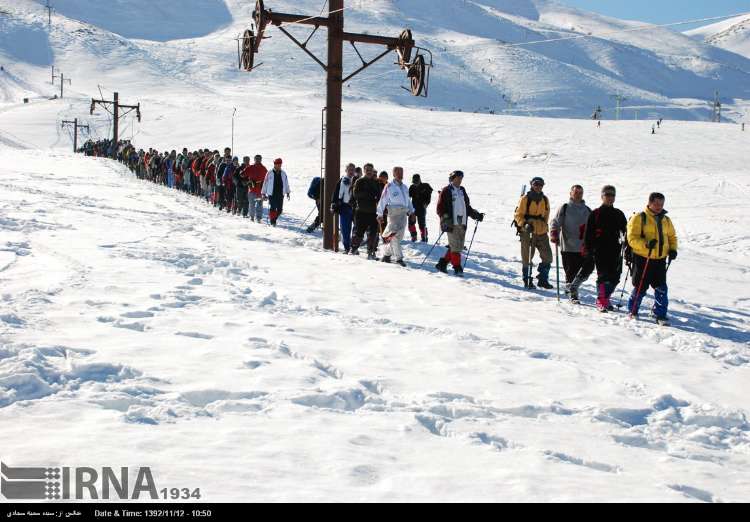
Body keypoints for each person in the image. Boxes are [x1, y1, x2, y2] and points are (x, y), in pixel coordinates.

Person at [627, 192, 678, 325]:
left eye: (661, 204)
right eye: (656, 204)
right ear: (649, 203)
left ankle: (660, 314)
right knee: (640, 287)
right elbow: (631, 238)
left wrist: (673, 249)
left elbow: (672, 237)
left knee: (661, 287)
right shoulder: (639, 217)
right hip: (643, 258)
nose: (659, 207)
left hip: (660, 259)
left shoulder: (666, 219)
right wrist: (645, 244)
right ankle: (632, 310)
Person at [579, 186, 627, 312]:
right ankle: (601, 300)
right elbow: (588, 233)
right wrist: (588, 249)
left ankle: (606, 298)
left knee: (615, 277)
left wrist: (627, 245)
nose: (610, 198)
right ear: (602, 196)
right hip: (600, 250)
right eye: (607, 195)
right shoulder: (595, 213)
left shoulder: (619, 214)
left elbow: (626, 231)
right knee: (603, 276)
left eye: (612, 195)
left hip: (616, 250)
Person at [435, 171, 484, 276]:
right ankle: (457, 268)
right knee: (456, 247)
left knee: (457, 246)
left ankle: (442, 264)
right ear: (452, 178)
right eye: (458, 178)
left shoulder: (462, 190)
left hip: (462, 223)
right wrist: (445, 217)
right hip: (451, 223)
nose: (460, 180)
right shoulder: (446, 190)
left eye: (461, 178)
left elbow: (467, 206)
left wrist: (476, 215)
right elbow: (440, 208)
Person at [550, 185, 591, 301]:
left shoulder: (587, 210)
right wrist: (554, 233)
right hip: (568, 246)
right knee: (570, 271)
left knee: (586, 270)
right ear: (571, 193)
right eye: (576, 192)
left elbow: (593, 226)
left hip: (583, 247)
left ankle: (572, 288)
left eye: (580, 192)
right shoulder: (565, 208)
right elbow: (555, 222)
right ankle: (572, 294)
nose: (578, 194)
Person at [514, 177, 553, 289]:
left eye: (540, 184)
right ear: (531, 185)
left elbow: (546, 214)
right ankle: (527, 280)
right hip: (527, 231)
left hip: (541, 231)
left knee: (548, 257)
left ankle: (543, 279)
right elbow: (518, 215)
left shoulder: (545, 199)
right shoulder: (525, 198)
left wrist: (545, 226)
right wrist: (524, 224)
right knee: (527, 257)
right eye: (536, 184)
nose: (538, 186)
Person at [376, 167, 414, 266]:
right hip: (393, 213)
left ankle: (387, 254)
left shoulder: (405, 187)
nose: (400, 174)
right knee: (394, 236)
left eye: (401, 172)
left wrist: (412, 212)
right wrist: (379, 214)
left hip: (403, 214)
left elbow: (408, 201)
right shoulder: (389, 186)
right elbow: (382, 200)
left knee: (397, 237)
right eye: (398, 172)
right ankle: (399, 258)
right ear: (393, 174)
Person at [351, 164, 381, 259]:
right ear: (364, 171)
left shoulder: (376, 182)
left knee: (373, 233)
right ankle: (354, 249)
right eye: (367, 170)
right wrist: (368, 194)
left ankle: (371, 252)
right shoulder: (359, 181)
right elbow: (355, 194)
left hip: (373, 212)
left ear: (373, 171)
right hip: (361, 211)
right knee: (359, 232)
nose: (369, 171)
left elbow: (379, 195)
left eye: (370, 170)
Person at [332, 164, 356, 253]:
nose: (351, 171)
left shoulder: (357, 180)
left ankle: (354, 246)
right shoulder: (342, 180)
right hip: (345, 207)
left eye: (353, 170)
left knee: (357, 228)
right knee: (345, 229)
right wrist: (334, 204)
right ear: (346, 170)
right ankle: (347, 247)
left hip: (355, 207)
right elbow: (336, 194)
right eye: (349, 169)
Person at [262, 158, 290, 226]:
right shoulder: (269, 173)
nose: (279, 165)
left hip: (281, 193)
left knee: (280, 210)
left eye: (280, 164)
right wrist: (263, 193)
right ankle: (273, 222)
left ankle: (273, 219)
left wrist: (288, 192)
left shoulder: (283, 173)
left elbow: (286, 183)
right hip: (272, 193)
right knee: (273, 208)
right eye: (277, 164)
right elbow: (265, 183)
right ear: (274, 164)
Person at [409, 174, 433, 243]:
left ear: (419, 180)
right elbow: (408, 197)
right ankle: (414, 236)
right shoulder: (412, 187)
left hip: (422, 208)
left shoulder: (425, 186)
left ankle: (424, 238)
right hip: (413, 208)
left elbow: (429, 196)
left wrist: (427, 203)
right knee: (411, 223)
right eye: (414, 182)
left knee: (422, 224)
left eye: (416, 182)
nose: (415, 184)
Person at [247, 155, 267, 222]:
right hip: (252, 190)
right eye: (256, 159)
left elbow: (267, 179)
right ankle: (252, 217)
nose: (258, 160)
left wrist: (266, 188)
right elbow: (243, 174)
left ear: (261, 159)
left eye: (259, 159)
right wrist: (248, 181)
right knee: (251, 204)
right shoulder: (250, 167)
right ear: (254, 159)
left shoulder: (264, 169)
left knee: (259, 205)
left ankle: (258, 218)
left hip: (260, 191)